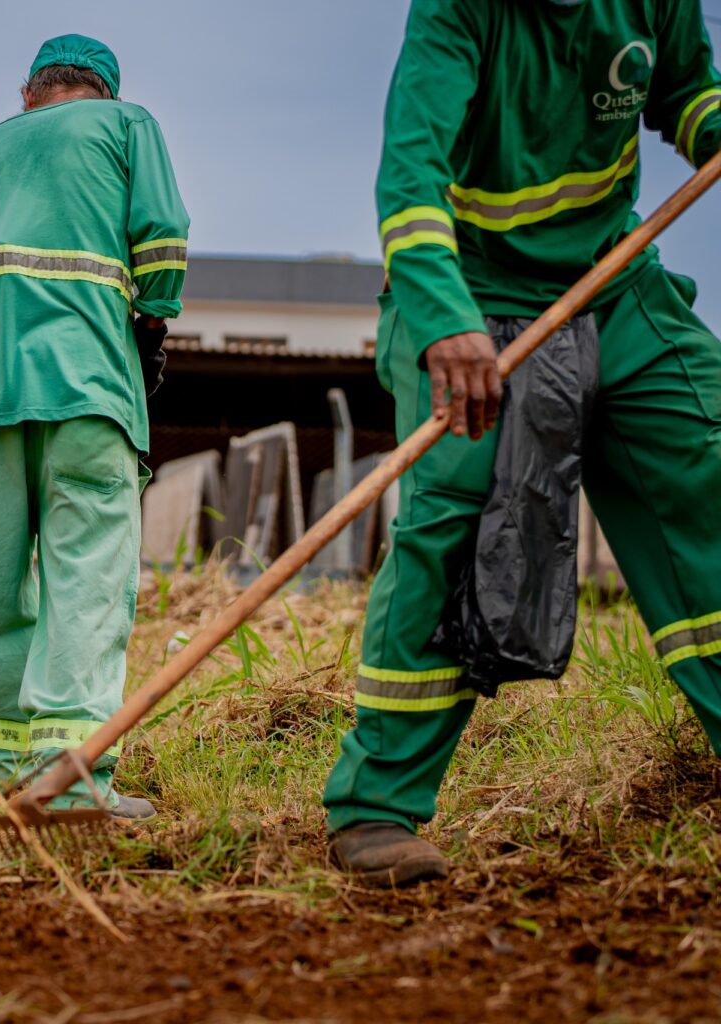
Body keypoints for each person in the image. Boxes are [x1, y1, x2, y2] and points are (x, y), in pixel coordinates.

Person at [324, 0, 721, 886]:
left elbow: (686, 90)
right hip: (470, 285)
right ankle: (377, 809)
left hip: (611, 278)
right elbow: (413, 165)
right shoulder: (458, 11)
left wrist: (714, 125)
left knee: (706, 466)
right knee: (454, 527)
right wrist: (439, 313)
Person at [0, 35, 189, 818]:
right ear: (105, 90)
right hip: (90, 392)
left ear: (28, 93)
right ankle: (70, 779)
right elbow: (162, 235)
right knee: (84, 577)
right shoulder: (128, 126)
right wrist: (152, 328)